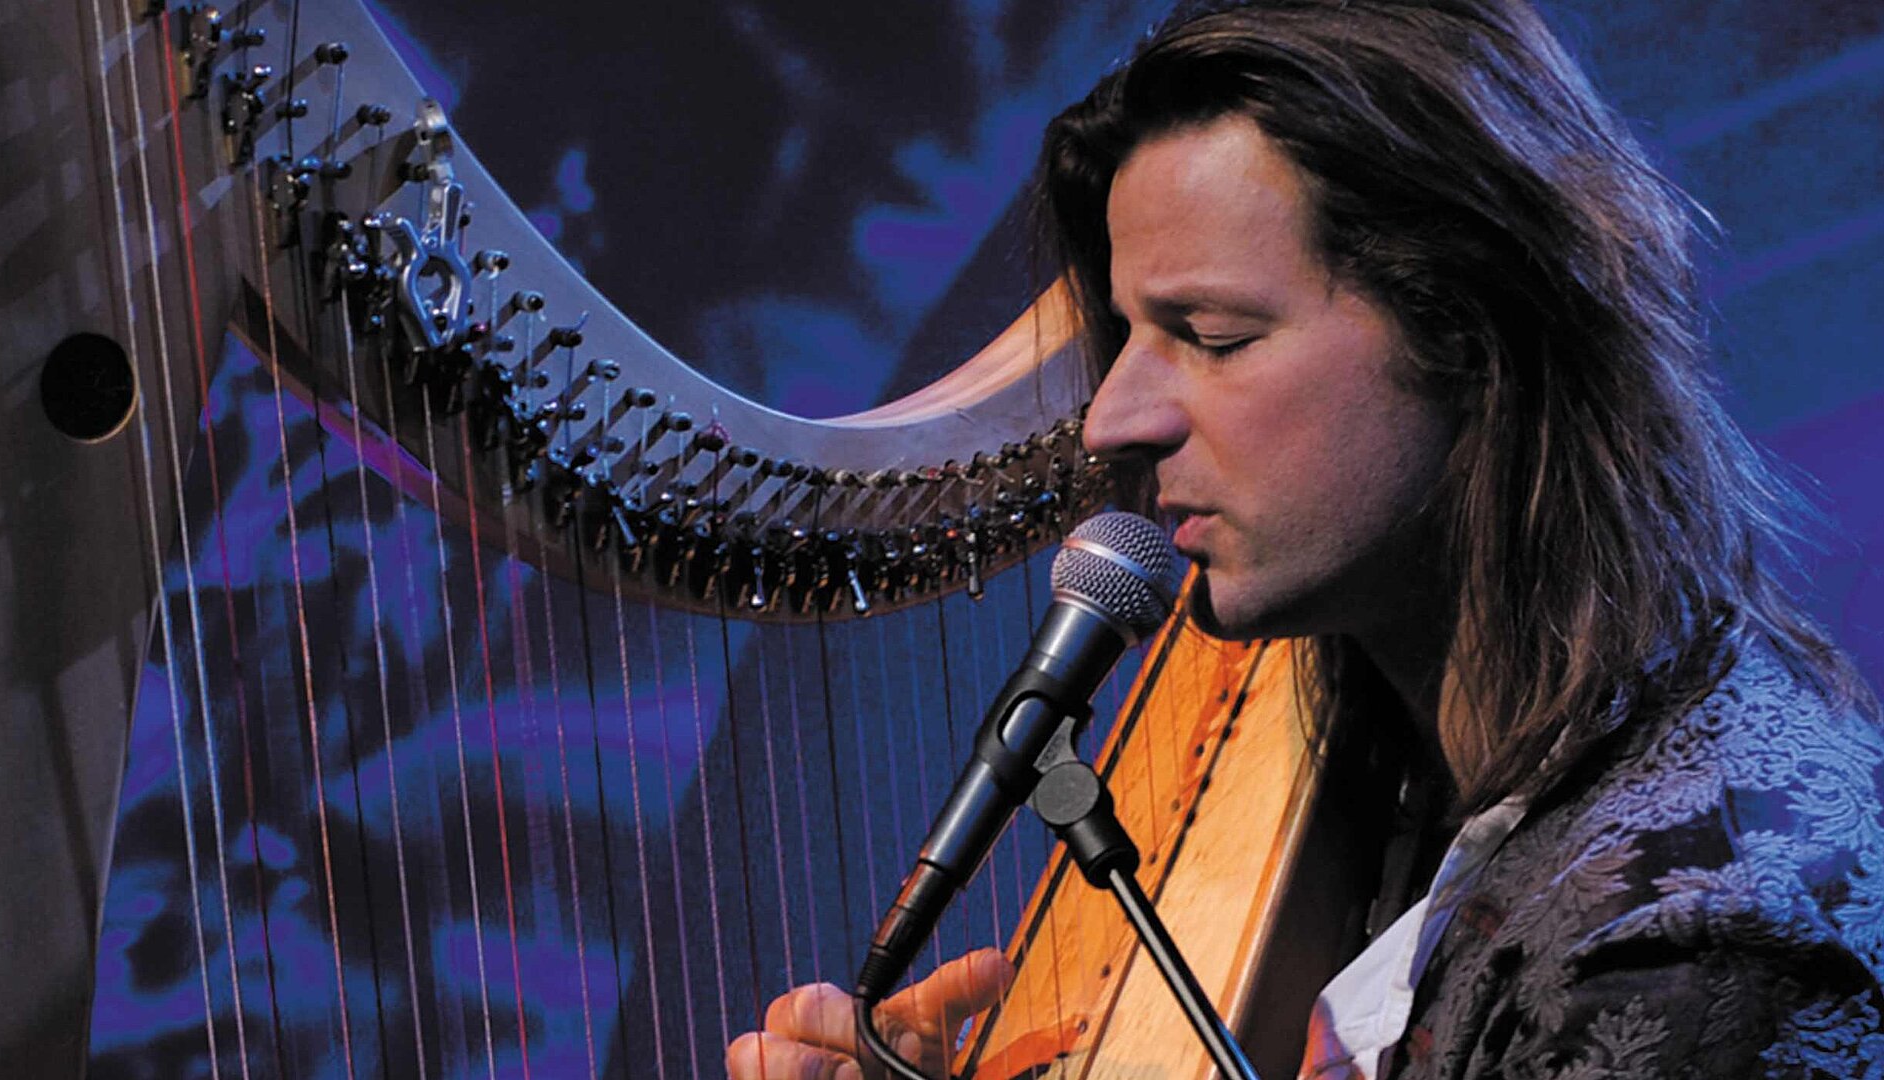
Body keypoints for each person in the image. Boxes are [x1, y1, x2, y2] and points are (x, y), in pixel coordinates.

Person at [728, 1, 1884, 1076]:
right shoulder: (1471, 772)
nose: (1116, 419)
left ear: (1472, 335)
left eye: (1214, 335)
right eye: (1129, 333)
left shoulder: (1700, 948)